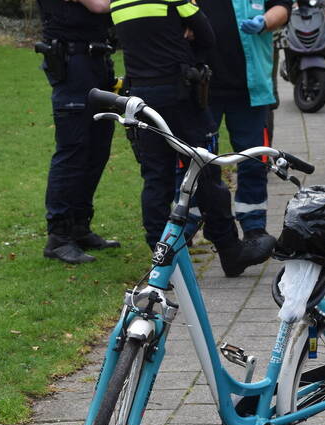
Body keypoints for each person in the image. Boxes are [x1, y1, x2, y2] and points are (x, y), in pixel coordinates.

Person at [107, 0, 267, 277]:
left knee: (156, 178)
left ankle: (162, 257)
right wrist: (183, 33)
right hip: (181, 98)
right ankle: (230, 250)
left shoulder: (118, 3)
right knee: (206, 172)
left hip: (143, 100)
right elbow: (207, 36)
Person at [192, 0, 291, 263]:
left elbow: (283, 8)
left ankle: (254, 227)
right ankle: (191, 225)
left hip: (250, 87)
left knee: (253, 161)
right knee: (198, 162)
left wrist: (265, 21)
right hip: (202, 88)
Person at [35, 0, 122, 264]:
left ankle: (79, 226)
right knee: (73, 150)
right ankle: (59, 237)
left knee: (98, 149)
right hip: (74, 65)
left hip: (97, 61)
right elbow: (99, 5)